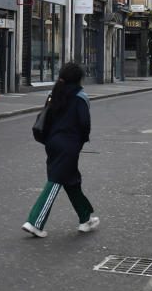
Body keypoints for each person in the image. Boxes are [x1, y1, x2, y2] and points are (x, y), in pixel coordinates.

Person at [22, 62, 99, 238]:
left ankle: (85, 219)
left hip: (52, 142)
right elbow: (85, 123)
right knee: (57, 180)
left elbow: (45, 118)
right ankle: (35, 222)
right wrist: (82, 139)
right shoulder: (81, 97)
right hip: (69, 144)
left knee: (72, 181)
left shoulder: (54, 94)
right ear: (79, 78)